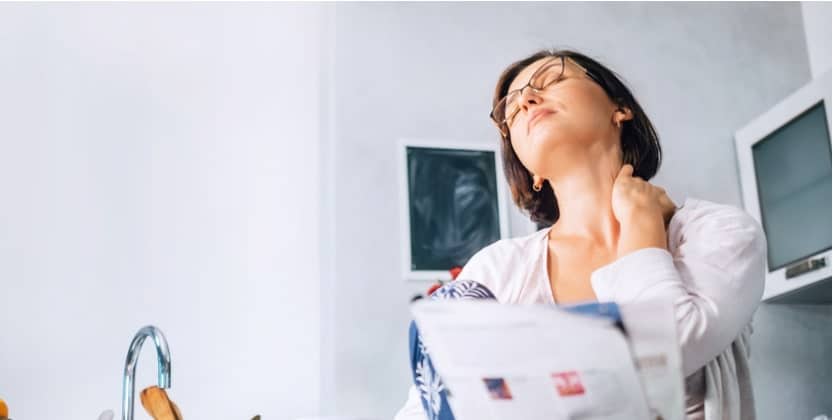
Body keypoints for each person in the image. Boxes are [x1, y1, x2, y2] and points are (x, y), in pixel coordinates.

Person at [394, 49, 766, 420]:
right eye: (511, 110)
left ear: (620, 109)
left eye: (552, 80)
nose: (526, 100)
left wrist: (641, 226)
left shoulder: (717, 232)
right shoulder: (496, 269)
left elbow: (670, 349)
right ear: (529, 169)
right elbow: (424, 410)